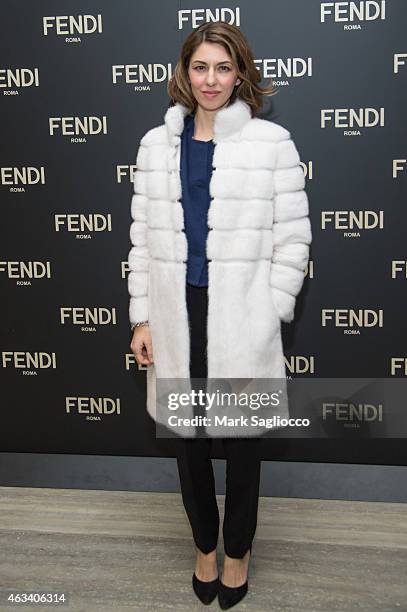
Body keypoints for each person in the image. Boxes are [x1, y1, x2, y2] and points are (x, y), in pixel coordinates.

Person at [128, 21, 312, 609]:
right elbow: (142, 241)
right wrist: (142, 318)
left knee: (241, 446)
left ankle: (238, 552)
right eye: (200, 67)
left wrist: (269, 311)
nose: (211, 80)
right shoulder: (156, 145)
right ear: (184, 73)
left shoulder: (271, 144)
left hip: (242, 317)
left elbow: (293, 241)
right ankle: (204, 545)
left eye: (223, 67)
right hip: (176, 315)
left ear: (241, 74)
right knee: (187, 444)